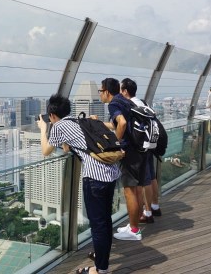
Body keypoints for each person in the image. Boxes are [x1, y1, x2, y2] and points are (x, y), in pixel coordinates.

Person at [39, 94, 121, 274]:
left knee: (98, 225)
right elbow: (74, 146)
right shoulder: (78, 121)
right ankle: (101, 260)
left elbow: (45, 150)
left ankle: (100, 270)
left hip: (94, 179)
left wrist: (43, 128)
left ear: (52, 115)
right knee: (105, 221)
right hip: (111, 174)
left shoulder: (59, 126)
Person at [94, 78, 147, 241]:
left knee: (129, 191)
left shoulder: (113, 104)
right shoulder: (125, 100)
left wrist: (115, 145)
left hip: (129, 152)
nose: (100, 94)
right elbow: (120, 124)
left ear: (107, 92)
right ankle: (133, 225)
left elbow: (122, 123)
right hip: (140, 148)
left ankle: (134, 230)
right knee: (136, 189)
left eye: (100, 91)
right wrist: (99, 123)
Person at [120, 78, 161, 224]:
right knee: (150, 177)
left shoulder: (129, 105)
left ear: (125, 91)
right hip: (149, 144)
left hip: (138, 148)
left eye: (121, 89)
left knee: (143, 182)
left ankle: (146, 213)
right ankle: (153, 207)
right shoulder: (143, 103)